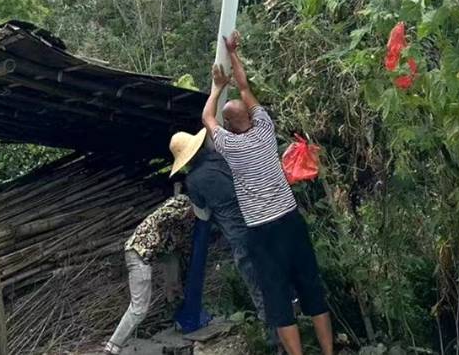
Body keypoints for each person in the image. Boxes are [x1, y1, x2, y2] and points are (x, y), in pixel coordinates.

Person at [202, 31, 333, 355]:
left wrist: (217, 87)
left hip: (262, 232)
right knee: (312, 290)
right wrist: (233, 53)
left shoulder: (230, 146)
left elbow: (206, 117)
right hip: (290, 222)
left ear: (230, 126)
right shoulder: (264, 128)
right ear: (250, 116)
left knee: (278, 301)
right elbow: (246, 88)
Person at [169, 128, 270, 339]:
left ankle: (274, 339)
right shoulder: (220, 158)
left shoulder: (193, 180)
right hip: (262, 221)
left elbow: (203, 214)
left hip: (240, 236)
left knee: (258, 288)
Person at [105, 192, 194, 355]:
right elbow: (164, 214)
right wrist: (186, 211)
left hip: (151, 254)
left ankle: (174, 306)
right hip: (139, 254)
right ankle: (112, 347)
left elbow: (176, 248)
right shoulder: (180, 203)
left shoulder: (182, 226)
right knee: (139, 310)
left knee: (173, 275)